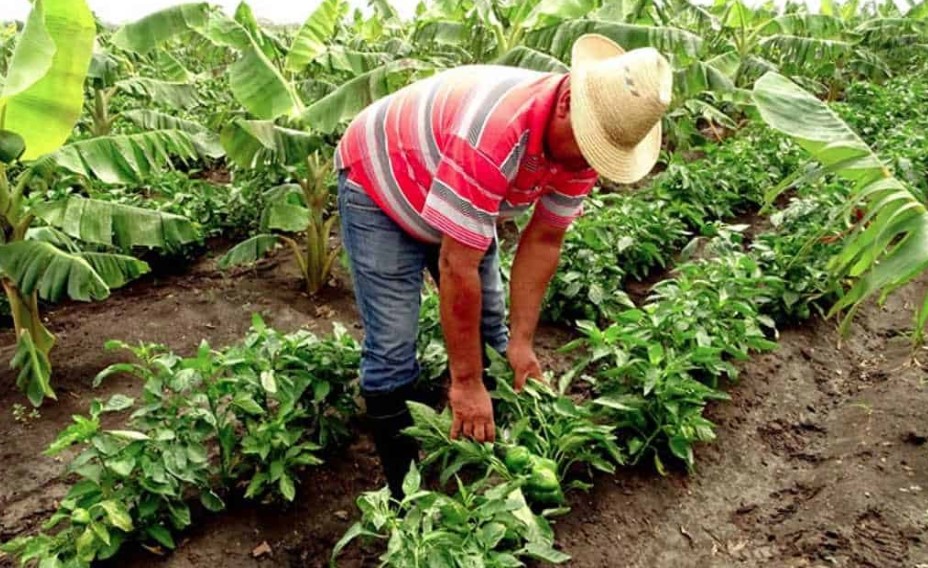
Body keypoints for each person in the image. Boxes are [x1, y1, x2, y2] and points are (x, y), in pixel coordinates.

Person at [334, 33, 673, 496]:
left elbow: (544, 239)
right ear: (566, 102)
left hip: (461, 186)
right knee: (393, 348)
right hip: (383, 184)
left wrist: (522, 342)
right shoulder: (495, 131)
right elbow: (457, 265)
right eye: (591, 144)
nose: (590, 163)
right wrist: (466, 381)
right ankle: (404, 498)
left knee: (491, 330)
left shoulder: (585, 149)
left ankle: (490, 454)